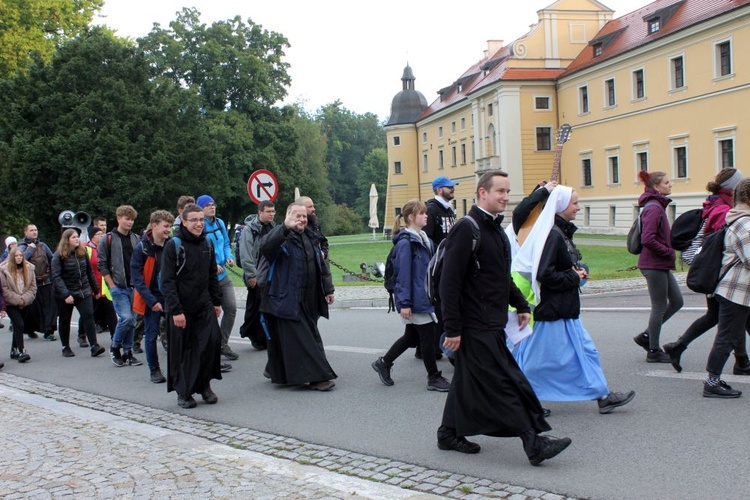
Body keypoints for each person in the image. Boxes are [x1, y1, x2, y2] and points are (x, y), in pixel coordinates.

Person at [437, 170, 571, 466]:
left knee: (466, 381)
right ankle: (533, 442)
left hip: (492, 322)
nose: (506, 197)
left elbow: (501, 277)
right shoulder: (466, 229)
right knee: (507, 384)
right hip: (474, 326)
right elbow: (449, 283)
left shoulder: (496, 230)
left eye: (508, 191)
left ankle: (447, 433)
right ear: (482, 193)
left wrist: (521, 304)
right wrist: (453, 328)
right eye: (500, 191)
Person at [513, 185, 635, 413]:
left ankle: (603, 395)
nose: (579, 207)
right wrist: (573, 275)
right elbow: (544, 274)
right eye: (575, 203)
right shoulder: (554, 236)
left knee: (586, 352)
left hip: (565, 309)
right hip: (553, 311)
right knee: (534, 361)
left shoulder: (561, 233)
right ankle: (520, 399)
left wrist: (574, 271)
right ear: (560, 207)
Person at [664, 168, 750, 373]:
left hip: (721, 274)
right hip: (722, 275)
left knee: (726, 319)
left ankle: (741, 361)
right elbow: (735, 245)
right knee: (727, 322)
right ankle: (736, 364)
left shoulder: (718, 204)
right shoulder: (725, 211)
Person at [371, 200, 450, 391]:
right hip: (415, 299)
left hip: (425, 296)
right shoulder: (406, 243)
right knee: (429, 335)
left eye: (425, 213)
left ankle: (384, 362)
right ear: (411, 218)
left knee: (412, 336)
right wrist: (405, 303)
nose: (426, 216)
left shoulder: (424, 239)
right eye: (422, 214)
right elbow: (403, 276)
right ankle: (433, 377)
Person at [260, 201, 337, 391]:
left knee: (299, 337)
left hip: (309, 297)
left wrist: (328, 289)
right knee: (305, 340)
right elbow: (265, 247)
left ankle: (276, 370)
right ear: (288, 216)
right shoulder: (282, 237)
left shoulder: (311, 237)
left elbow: (321, 265)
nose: (302, 219)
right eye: (297, 216)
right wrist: (285, 228)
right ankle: (318, 378)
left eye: (304, 216)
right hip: (287, 298)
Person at [161, 203, 224, 408]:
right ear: (185, 222)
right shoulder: (174, 245)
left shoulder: (207, 243)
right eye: (194, 220)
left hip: (203, 303)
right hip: (181, 307)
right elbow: (167, 281)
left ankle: (204, 385)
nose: (198, 224)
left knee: (211, 343)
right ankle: (184, 392)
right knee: (184, 350)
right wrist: (176, 311)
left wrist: (216, 301)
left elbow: (211, 275)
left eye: (200, 220)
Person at [702, 178, 750, 398]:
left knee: (731, 334)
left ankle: (727, 372)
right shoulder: (744, 223)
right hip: (735, 292)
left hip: (740, 291)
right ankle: (712, 382)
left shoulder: (738, 219)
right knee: (727, 336)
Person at [633, 170, 684, 362]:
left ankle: (647, 335)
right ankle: (653, 350)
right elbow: (648, 239)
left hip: (659, 264)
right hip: (653, 264)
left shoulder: (657, 206)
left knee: (677, 301)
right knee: (660, 305)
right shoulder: (654, 207)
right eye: (667, 182)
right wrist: (669, 251)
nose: (670, 185)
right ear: (656, 187)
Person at [132, 210, 174, 384]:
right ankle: (154, 369)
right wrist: (152, 301)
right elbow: (137, 279)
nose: (168, 230)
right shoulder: (142, 248)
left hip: (170, 296)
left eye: (170, 226)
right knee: (150, 335)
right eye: (166, 226)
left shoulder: (172, 245)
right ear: (155, 225)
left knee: (175, 333)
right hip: (151, 297)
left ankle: (177, 366)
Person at [196, 194, 238, 361]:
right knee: (211, 314)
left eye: (213, 204)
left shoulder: (220, 223)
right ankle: (209, 348)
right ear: (201, 208)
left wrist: (229, 257)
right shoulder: (199, 226)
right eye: (208, 205)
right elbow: (199, 250)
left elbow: (226, 243)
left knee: (232, 308)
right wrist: (212, 264)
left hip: (223, 276)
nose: (212, 207)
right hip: (208, 277)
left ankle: (222, 343)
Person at [98, 205, 141, 367]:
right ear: (119, 219)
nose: (129, 222)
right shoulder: (108, 239)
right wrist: (112, 285)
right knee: (126, 318)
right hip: (118, 286)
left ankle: (128, 351)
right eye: (127, 219)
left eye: (131, 219)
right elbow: (102, 264)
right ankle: (115, 346)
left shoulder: (135, 238)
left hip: (134, 286)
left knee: (133, 319)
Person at [51, 229, 105, 358]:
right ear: (67, 240)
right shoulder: (58, 256)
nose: (77, 239)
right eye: (74, 237)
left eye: (77, 237)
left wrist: (96, 289)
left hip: (83, 291)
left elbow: (89, 272)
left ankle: (94, 345)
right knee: (65, 320)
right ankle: (66, 347)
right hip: (65, 294)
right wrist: (66, 294)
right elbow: (56, 277)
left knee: (88, 316)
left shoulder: (82, 252)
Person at [238, 200, 276, 350]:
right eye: (269, 212)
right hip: (256, 276)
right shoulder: (249, 230)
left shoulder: (273, 227)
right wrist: (252, 275)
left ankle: (265, 336)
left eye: (273, 211)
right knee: (254, 308)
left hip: (269, 274)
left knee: (267, 307)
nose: (272, 214)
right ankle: (254, 335)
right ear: (260, 212)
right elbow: (246, 254)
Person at [18, 224, 57, 341]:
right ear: (25, 232)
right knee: (32, 310)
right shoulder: (22, 247)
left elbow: (52, 259)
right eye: (31, 230)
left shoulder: (43, 245)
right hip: (30, 285)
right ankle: (30, 329)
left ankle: (49, 331)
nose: (34, 232)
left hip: (46, 282)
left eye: (36, 230)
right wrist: (30, 249)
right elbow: (20, 260)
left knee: (49, 308)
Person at [0, 247, 37, 362]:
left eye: (20, 255)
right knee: (19, 324)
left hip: (25, 302)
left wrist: (24, 299)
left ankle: (13, 350)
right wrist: (18, 299)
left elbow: (33, 287)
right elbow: (4, 289)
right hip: (11, 303)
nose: (19, 258)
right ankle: (22, 351)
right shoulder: (4, 270)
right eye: (16, 256)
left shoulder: (29, 268)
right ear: (12, 257)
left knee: (18, 326)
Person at [424, 175, 457, 247]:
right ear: (439, 190)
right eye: (449, 187)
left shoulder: (449, 210)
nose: (453, 189)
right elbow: (427, 239)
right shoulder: (430, 210)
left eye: (453, 186)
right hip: (438, 256)